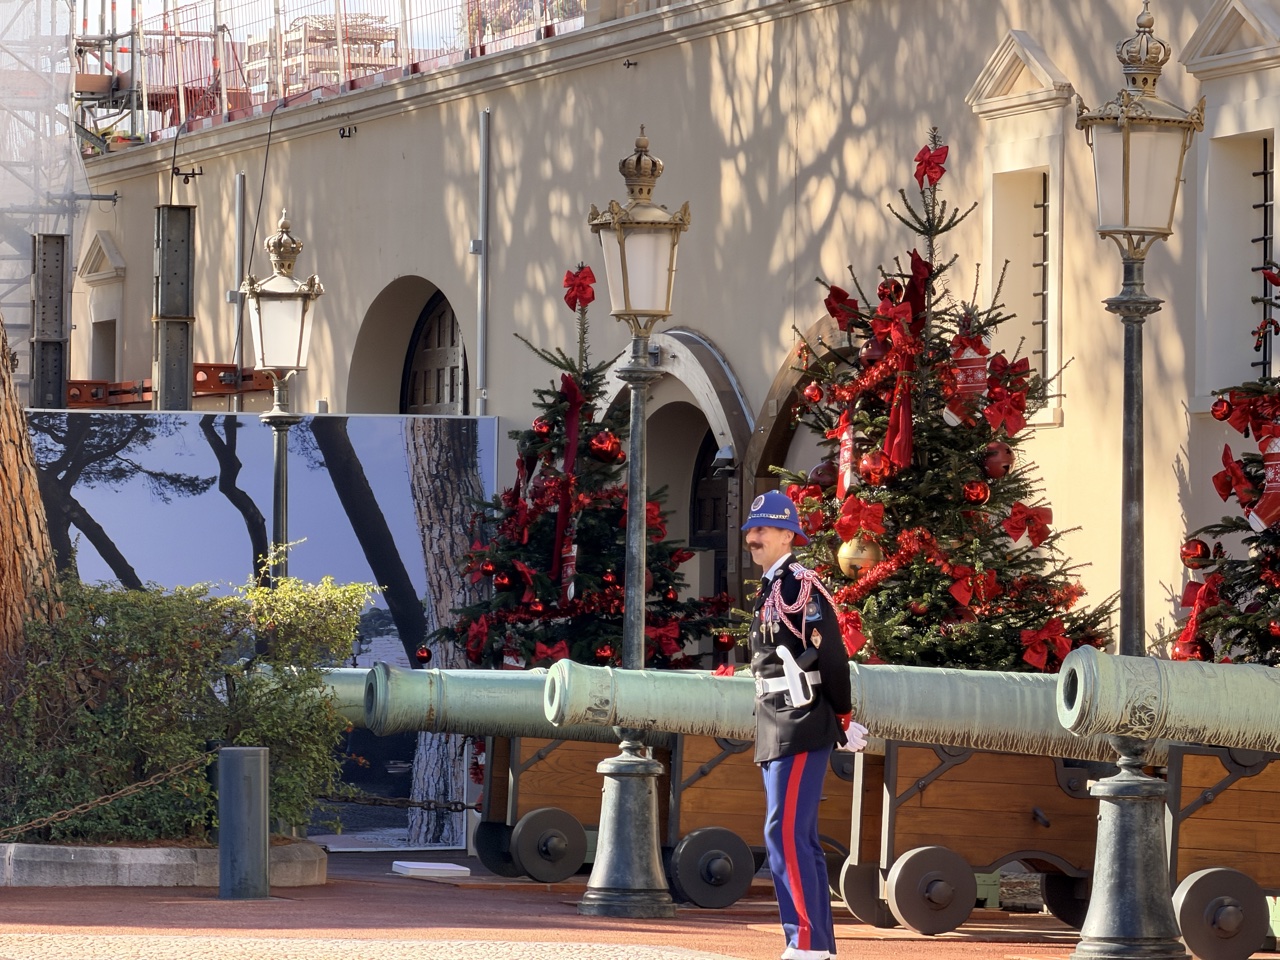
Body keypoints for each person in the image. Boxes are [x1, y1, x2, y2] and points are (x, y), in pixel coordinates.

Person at [743, 490, 867, 960]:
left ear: (787, 535)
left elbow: (832, 655)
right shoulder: (773, 585)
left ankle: (808, 943)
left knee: (786, 832)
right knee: (794, 835)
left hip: (801, 717)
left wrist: (841, 716)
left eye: (762, 530)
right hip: (774, 721)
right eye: (751, 530)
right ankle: (813, 943)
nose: (753, 538)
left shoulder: (799, 585)